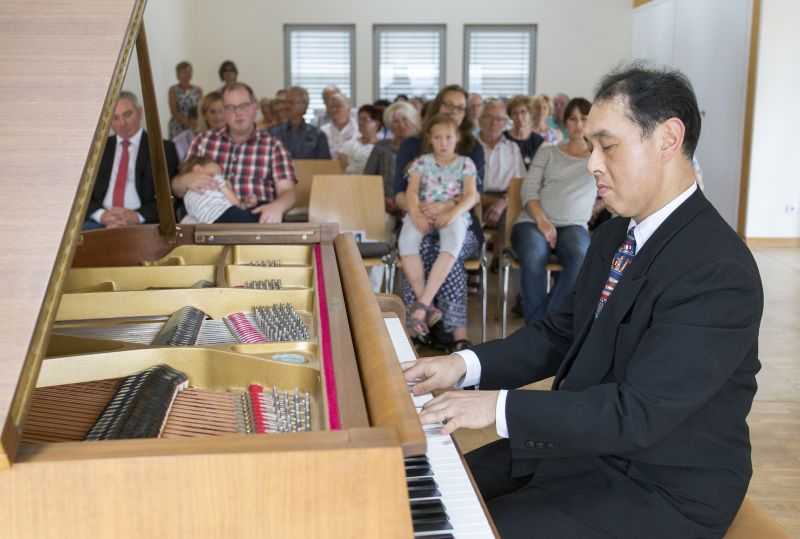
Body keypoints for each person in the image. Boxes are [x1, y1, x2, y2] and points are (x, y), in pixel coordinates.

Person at [403, 65, 763, 539]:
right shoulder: (616, 233)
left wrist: (497, 409)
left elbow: (637, 413)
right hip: (579, 446)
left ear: (668, 139)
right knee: (416, 496)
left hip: (658, 487)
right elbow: (559, 333)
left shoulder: (718, 269)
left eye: (606, 145)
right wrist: (461, 366)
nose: (592, 163)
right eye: (590, 145)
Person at [394, 84, 486, 350]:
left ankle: (454, 332)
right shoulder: (414, 148)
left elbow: (473, 194)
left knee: (451, 255)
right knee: (420, 246)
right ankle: (421, 325)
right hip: (420, 216)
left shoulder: (472, 150)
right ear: (436, 106)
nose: (454, 111)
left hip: (457, 222)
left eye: (460, 107)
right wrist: (420, 210)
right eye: (448, 105)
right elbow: (399, 193)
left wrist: (445, 206)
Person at [511, 97, 596, 322]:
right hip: (533, 222)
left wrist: (597, 206)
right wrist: (542, 221)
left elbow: (614, 187)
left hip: (574, 227)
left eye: (584, 119)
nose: (578, 124)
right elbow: (528, 189)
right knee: (534, 253)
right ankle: (538, 329)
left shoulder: (598, 158)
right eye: (573, 118)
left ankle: (544, 325)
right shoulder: (547, 151)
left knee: (581, 255)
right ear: (565, 122)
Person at [172, 82, 297, 224]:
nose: (238, 113)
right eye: (230, 108)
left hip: (255, 219)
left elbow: (288, 192)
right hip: (207, 219)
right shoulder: (203, 141)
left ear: (255, 107)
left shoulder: (273, 146)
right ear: (224, 112)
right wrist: (185, 181)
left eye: (244, 106)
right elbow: (176, 186)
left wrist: (277, 207)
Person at [84, 91, 178, 229]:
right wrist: (101, 215)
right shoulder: (97, 149)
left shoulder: (163, 149)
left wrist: (137, 216)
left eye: (127, 114)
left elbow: (169, 197)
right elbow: (82, 193)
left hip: (143, 223)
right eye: (115, 118)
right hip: (99, 222)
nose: (122, 123)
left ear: (140, 113)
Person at [364, 101, 421, 213]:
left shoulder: (421, 147)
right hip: (384, 205)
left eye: (405, 119)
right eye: (396, 121)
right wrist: (383, 200)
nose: (401, 125)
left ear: (413, 121)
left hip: (416, 206)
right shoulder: (381, 147)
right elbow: (368, 179)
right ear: (389, 125)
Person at [478, 99, 525, 231]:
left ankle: (501, 252)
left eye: (499, 119)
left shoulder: (512, 148)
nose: (494, 123)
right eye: (489, 117)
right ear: (480, 120)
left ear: (505, 123)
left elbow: (520, 183)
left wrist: (502, 203)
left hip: (504, 199)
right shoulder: (470, 146)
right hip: (476, 198)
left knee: (508, 219)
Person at [179, 155, 260, 224]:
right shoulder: (214, 178)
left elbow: (190, 217)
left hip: (208, 224)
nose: (220, 174)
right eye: (219, 171)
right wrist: (227, 187)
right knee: (256, 217)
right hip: (226, 214)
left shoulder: (187, 196)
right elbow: (235, 203)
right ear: (198, 169)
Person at [270, 86, 331, 159]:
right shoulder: (274, 133)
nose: (286, 106)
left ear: (304, 105)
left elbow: (325, 166)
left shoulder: (318, 136)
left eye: (291, 102)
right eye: (285, 103)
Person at [505, 95, 545, 170]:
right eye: (515, 113)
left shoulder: (538, 141)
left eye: (523, 112)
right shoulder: (503, 138)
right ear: (510, 116)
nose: (519, 117)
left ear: (530, 114)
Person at [338, 104, 380, 174]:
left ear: (376, 123)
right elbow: (341, 170)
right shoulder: (349, 145)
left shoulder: (383, 147)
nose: (360, 123)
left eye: (365, 120)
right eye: (359, 119)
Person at [167, 61, 202, 139]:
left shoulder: (198, 90)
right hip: (178, 126)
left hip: (195, 125)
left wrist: (194, 124)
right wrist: (187, 123)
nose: (187, 74)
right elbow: (174, 111)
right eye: (184, 72)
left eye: (189, 71)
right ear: (178, 75)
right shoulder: (173, 90)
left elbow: (200, 109)